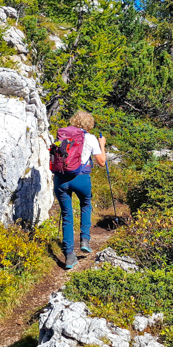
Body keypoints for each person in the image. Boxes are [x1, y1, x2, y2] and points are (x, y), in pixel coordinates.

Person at [53, 110, 106, 270]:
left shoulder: (62, 136)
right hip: (81, 178)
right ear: (89, 124)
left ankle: (69, 256)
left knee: (67, 216)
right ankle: (84, 240)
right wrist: (102, 145)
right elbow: (101, 162)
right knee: (85, 204)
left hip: (61, 179)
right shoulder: (90, 138)